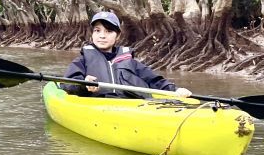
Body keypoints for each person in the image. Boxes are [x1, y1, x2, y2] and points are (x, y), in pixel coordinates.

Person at [60, 11, 192, 98]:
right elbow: (67, 85)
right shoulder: (82, 61)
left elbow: (154, 80)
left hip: (129, 106)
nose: (102, 36)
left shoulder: (130, 61)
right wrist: (83, 84)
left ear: (117, 36)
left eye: (108, 31)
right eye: (97, 30)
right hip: (99, 106)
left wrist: (175, 90)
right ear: (92, 34)